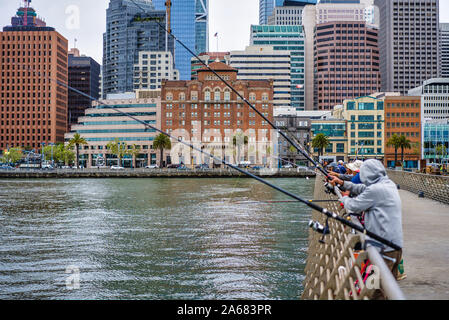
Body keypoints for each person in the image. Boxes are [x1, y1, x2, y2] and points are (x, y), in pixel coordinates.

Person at [328, 159, 403, 297]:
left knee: (374, 291)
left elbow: (353, 206)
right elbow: (362, 189)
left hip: (383, 249)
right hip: (395, 246)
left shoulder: (376, 190)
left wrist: (343, 198)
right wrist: (342, 183)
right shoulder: (387, 184)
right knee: (387, 288)